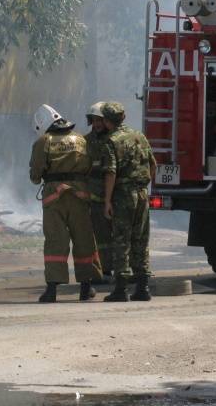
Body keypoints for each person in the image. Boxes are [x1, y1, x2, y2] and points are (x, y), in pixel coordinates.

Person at [29, 104, 102, 302]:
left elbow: (35, 175)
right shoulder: (80, 139)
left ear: (42, 126)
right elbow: (89, 166)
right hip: (80, 194)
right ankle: (86, 288)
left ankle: (52, 290)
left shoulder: (43, 141)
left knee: (55, 241)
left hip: (55, 197)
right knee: (84, 239)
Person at [101, 101, 157, 302]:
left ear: (107, 121)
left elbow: (111, 172)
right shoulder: (139, 136)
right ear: (123, 117)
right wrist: (143, 185)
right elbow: (153, 164)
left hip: (123, 196)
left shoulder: (111, 141)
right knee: (140, 240)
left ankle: (121, 289)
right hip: (142, 194)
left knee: (121, 240)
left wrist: (107, 201)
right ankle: (143, 287)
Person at [85, 101, 114, 281]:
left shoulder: (115, 140)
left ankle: (122, 269)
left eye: (100, 120)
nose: (96, 124)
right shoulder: (85, 141)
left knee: (119, 235)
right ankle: (103, 269)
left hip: (115, 197)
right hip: (95, 197)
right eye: (94, 120)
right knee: (100, 237)